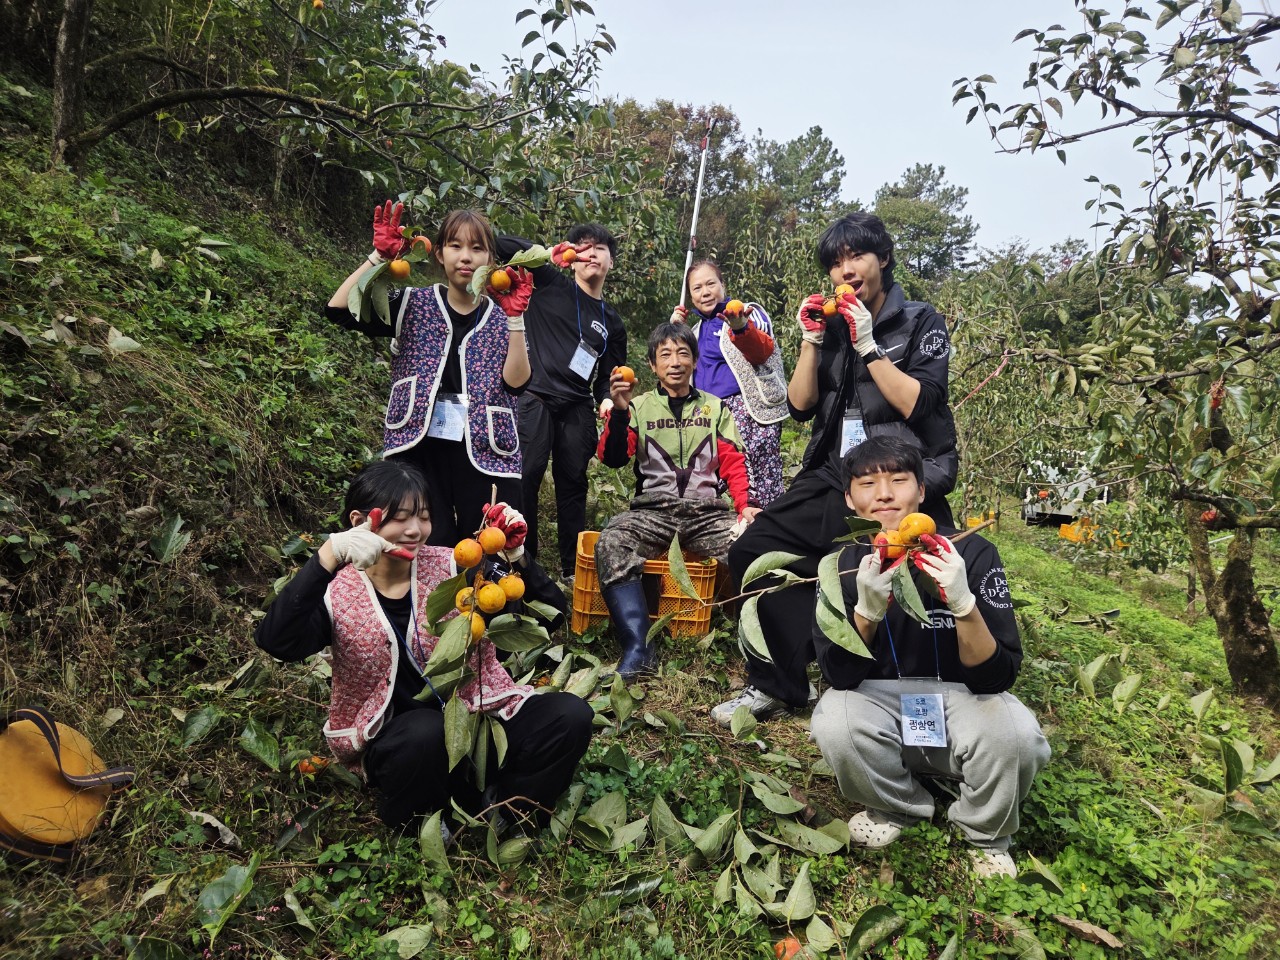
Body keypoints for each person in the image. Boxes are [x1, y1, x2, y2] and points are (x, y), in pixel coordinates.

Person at [255, 460, 594, 833]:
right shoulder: (336, 594)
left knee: (570, 715)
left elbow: (550, 615)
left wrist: (518, 558)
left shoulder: (453, 567)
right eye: (400, 518)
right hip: (406, 744)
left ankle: (511, 810)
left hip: (476, 721)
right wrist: (327, 557)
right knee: (426, 731)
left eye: (424, 516)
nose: (415, 530)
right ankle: (424, 825)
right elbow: (276, 641)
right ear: (359, 521)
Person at [713, 211, 959, 725]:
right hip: (832, 472)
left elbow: (919, 404)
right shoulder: (830, 324)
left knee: (883, 572)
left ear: (883, 259)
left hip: (893, 477)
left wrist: (868, 344)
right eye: (836, 262)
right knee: (754, 550)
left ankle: (872, 686)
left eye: (857, 257)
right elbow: (800, 405)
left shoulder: (919, 320)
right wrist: (811, 340)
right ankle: (779, 684)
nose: (846, 270)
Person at [808, 437, 1049, 877]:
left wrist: (963, 604)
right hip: (877, 698)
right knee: (834, 719)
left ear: (921, 491)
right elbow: (837, 673)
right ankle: (895, 806)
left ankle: (985, 831)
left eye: (899, 480)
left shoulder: (971, 554)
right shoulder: (840, 565)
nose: (884, 493)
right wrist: (865, 614)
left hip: (962, 698)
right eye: (867, 483)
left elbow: (996, 677)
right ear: (849, 498)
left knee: (1016, 734)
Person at [326, 202, 532, 547]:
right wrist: (377, 257)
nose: (465, 257)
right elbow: (340, 310)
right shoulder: (412, 304)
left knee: (493, 546)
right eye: (455, 246)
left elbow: (517, 383)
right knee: (425, 544)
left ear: (491, 261)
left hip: (483, 448)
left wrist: (515, 319)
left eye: (477, 248)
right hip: (417, 446)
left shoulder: (503, 316)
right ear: (439, 253)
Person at [595, 323, 759, 678]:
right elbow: (612, 458)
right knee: (613, 540)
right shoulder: (637, 407)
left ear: (695, 361)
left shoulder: (715, 408)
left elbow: (733, 460)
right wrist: (620, 412)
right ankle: (639, 649)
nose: (675, 361)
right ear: (652, 366)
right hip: (653, 511)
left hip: (708, 514)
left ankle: (758, 646)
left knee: (756, 546)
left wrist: (744, 506)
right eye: (665, 354)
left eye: (683, 353)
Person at [495, 225, 627, 582]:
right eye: (584, 247)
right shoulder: (549, 281)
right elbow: (499, 242)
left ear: (610, 262)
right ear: (572, 258)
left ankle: (572, 569)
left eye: (601, 248)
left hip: (576, 404)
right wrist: (546, 252)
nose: (592, 253)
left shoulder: (612, 322)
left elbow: (607, 376)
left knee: (573, 483)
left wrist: (605, 400)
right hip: (534, 393)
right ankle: (523, 565)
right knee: (527, 475)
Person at [671, 259, 788, 508]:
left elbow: (762, 353)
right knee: (716, 486)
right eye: (697, 288)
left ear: (722, 285)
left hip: (749, 414)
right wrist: (675, 335)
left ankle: (771, 540)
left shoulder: (746, 313)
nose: (705, 292)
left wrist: (741, 328)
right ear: (690, 296)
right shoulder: (694, 330)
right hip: (709, 415)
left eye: (711, 284)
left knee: (761, 488)